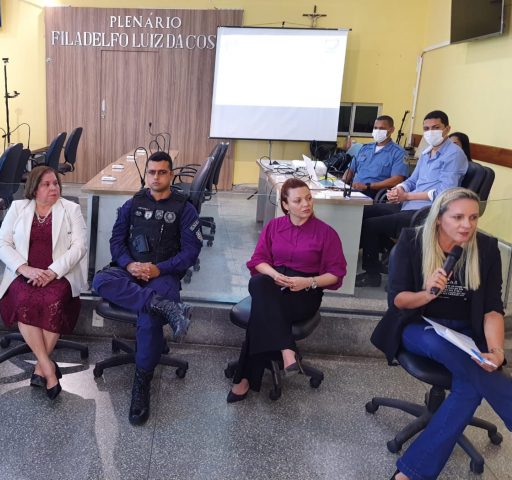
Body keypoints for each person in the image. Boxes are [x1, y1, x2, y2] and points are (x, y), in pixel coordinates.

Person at [370, 188, 511, 480]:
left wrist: (498, 352)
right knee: (445, 349)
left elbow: (492, 309)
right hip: (419, 325)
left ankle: (409, 474)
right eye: (458, 217)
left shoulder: (486, 248)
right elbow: (398, 301)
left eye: (473, 217)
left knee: (469, 388)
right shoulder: (412, 242)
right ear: (438, 219)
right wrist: (427, 293)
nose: (467, 225)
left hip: (466, 332)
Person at [92, 150, 202, 425]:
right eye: (151, 172)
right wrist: (129, 264)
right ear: (146, 175)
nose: (156, 177)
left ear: (171, 175)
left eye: (162, 172)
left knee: (149, 320)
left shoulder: (185, 209)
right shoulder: (133, 204)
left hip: (164, 274)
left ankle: (141, 384)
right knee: (100, 280)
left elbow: (190, 253)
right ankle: (163, 305)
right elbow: (116, 242)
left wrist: (159, 269)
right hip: (130, 270)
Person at [227, 178, 346, 402]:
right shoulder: (274, 226)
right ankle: (287, 349)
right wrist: (275, 275)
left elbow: (336, 274)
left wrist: (307, 282)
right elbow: (258, 261)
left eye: (308, 198)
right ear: (285, 204)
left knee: (261, 314)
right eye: (298, 200)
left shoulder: (326, 233)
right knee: (259, 283)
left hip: (305, 292)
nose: (306, 204)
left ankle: (243, 380)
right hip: (274, 284)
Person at [0, 166, 87, 400]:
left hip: (59, 273)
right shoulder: (18, 208)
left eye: (55, 183)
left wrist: (53, 271)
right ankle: (47, 366)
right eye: (46, 184)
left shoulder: (71, 209)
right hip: (24, 273)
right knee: (24, 299)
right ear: (34, 189)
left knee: (53, 300)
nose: (53, 188)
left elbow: (80, 247)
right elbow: (2, 244)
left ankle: (40, 367)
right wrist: (23, 268)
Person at [356, 110, 468, 287]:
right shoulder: (426, 152)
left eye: (436, 128)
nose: (430, 132)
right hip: (408, 204)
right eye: (426, 129)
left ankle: (372, 275)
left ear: (447, 129)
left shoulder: (454, 154)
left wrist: (407, 195)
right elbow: (412, 180)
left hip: (427, 211)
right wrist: (399, 189)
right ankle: (389, 256)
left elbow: (445, 192)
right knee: (363, 212)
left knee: (372, 225)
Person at [342, 115, 407, 198]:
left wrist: (368, 186)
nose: (377, 131)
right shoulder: (365, 148)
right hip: (353, 190)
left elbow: (396, 180)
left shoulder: (398, 153)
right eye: (375, 128)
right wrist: (342, 183)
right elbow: (351, 169)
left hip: (373, 193)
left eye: (382, 128)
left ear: (391, 130)